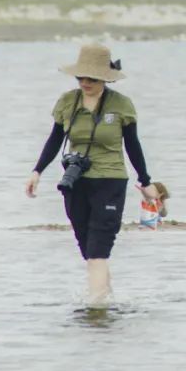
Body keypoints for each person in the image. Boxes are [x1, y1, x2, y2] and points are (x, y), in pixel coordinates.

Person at [25, 43, 164, 304]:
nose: (85, 83)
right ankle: (106, 301)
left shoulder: (121, 105)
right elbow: (54, 140)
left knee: (98, 250)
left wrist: (145, 181)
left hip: (110, 181)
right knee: (89, 249)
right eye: (81, 77)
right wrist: (37, 171)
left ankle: (96, 309)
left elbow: (133, 146)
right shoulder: (68, 101)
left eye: (92, 78)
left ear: (105, 78)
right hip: (76, 181)